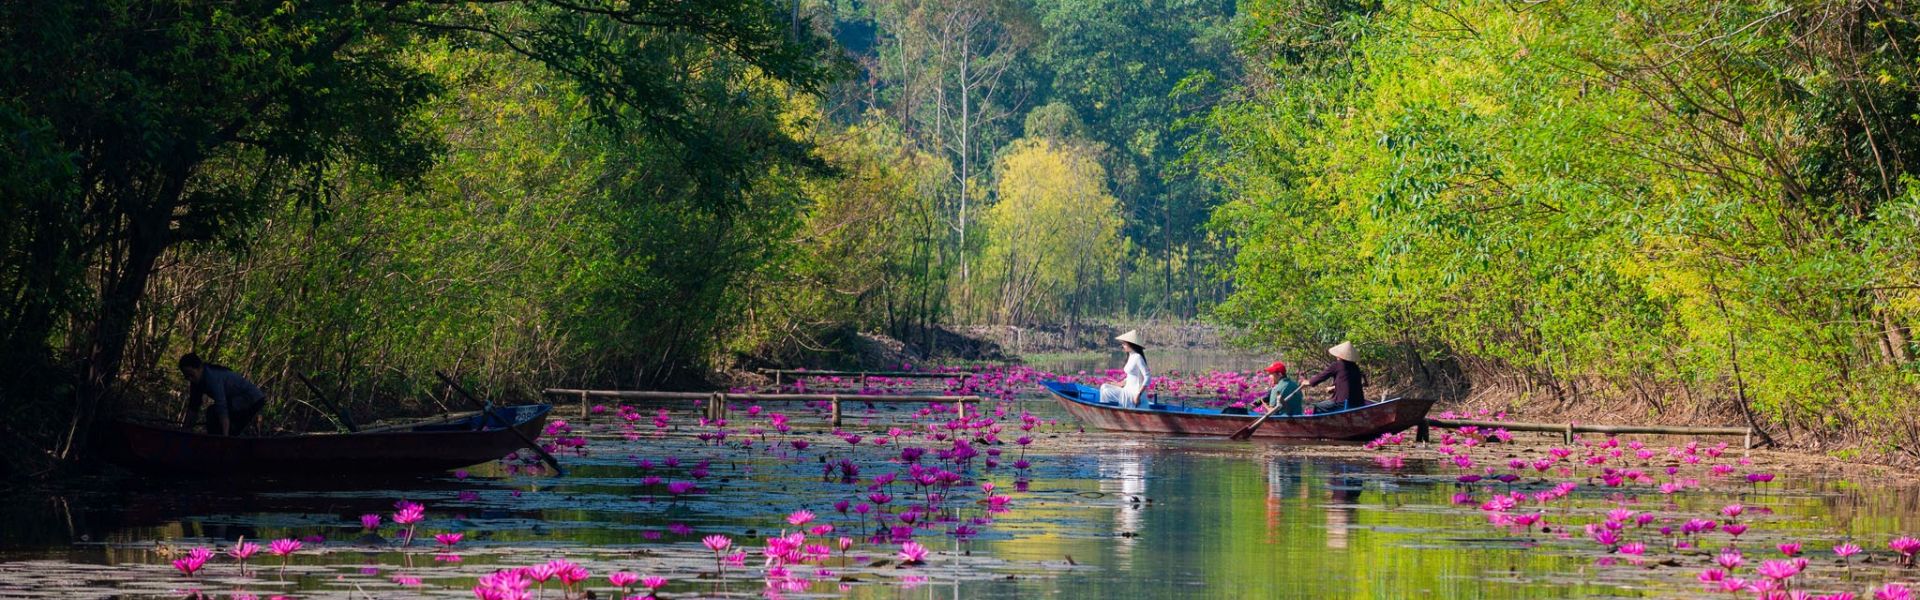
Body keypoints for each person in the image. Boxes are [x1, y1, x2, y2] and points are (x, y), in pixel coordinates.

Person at [178, 353, 267, 436]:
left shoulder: (212, 377)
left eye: (191, 375)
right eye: (186, 376)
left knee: (214, 413)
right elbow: (193, 407)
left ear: (200, 368)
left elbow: (222, 406)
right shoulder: (196, 382)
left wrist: (224, 437)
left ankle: (222, 441)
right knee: (213, 413)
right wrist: (185, 430)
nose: (190, 379)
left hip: (251, 398)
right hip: (238, 401)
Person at [1304, 341, 1365, 413]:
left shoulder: (1337, 365)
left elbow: (1322, 376)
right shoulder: (1355, 367)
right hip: (1359, 402)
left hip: (1343, 403)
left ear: (1340, 355)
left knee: (1315, 407)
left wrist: (1309, 382)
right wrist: (1334, 388)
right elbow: (1348, 383)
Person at [1098, 330, 1150, 408]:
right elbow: (1130, 376)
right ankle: (1107, 409)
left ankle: (1105, 410)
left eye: (1124, 344)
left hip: (1133, 393)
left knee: (1106, 391)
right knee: (1104, 386)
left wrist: (1138, 394)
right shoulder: (1130, 356)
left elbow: (1147, 377)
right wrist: (1118, 384)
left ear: (1131, 345)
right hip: (1126, 389)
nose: (1123, 346)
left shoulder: (1137, 357)